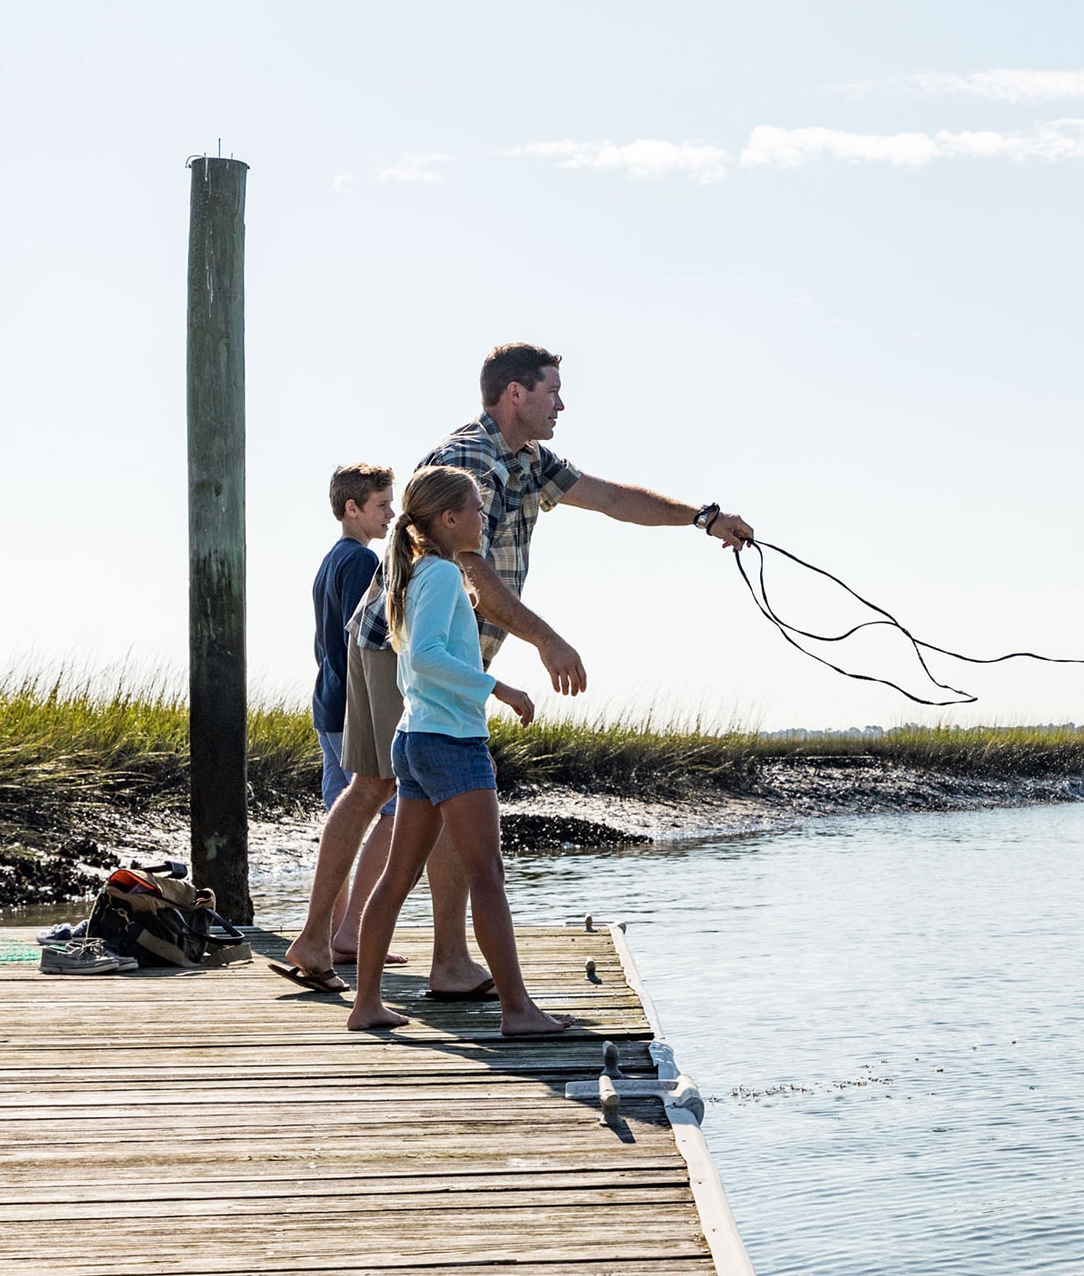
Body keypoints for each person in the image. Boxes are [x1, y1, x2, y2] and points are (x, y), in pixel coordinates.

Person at [344, 342, 754, 1000]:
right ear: (514, 394)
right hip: (400, 649)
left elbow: (614, 498)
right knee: (384, 794)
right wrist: (545, 642)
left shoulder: (529, 462)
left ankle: (399, 958)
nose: (561, 404)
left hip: (446, 661)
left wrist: (702, 519)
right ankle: (373, 953)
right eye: (551, 391)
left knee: (393, 797)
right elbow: (468, 570)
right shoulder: (470, 460)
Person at [346, 465, 569, 1035]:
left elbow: (413, 666)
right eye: (474, 509)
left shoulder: (417, 572)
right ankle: (518, 1012)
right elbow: (423, 658)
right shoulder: (442, 574)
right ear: (449, 519)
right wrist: (498, 687)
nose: (482, 518)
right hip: (449, 742)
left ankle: (366, 1005)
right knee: (487, 875)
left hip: (416, 739)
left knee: (398, 874)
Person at [273, 464, 406, 992]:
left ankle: (329, 933)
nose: (391, 514)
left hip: (327, 703)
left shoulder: (330, 560)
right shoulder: (361, 561)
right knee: (392, 811)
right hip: (354, 707)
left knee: (344, 812)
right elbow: (363, 645)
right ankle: (348, 932)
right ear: (352, 508)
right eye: (381, 505)